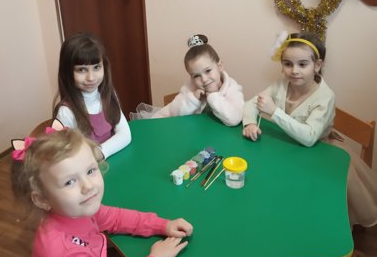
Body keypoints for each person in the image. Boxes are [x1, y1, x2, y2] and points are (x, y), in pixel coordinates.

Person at [243, 31, 377, 228]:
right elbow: (251, 103)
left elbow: (309, 137)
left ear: (317, 65)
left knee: (320, 196)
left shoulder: (325, 96)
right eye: (288, 64)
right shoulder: (280, 85)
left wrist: (274, 112)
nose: (294, 71)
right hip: (287, 146)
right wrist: (250, 123)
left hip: (320, 150)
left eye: (302, 64)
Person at [11, 123, 193, 257]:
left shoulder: (77, 209)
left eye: (90, 171)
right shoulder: (63, 256)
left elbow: (115, 218)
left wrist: (162, 225)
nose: (88, 186)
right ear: (42, 199)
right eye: (69, 182)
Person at [131, 34, 244, 126]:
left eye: (208, 71)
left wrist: (213, 96)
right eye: (196, 76)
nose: (204, 79)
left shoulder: (232, 88)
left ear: (220, 66)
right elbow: (175, 112)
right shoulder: (190, 88)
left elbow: (235, 119)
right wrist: (192, 99)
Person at [54, 32, 131, 159]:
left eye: (96, 67)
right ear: (67, 72)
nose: (91, 77)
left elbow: (125, 134)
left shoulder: (109, 94)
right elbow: (66, 157)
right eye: (81, 70)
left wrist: (100, 153)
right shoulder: (66, 112)